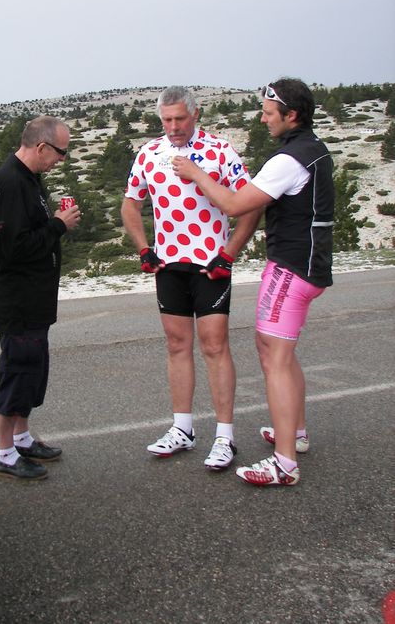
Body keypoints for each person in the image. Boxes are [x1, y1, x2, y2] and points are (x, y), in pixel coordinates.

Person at [172, 78, 334, 487]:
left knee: (273, 357)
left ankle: (283, 463)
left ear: (291, 115)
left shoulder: (289, 160)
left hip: (291, 269)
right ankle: (293, 433)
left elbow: (233, 203)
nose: (262, 119)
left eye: (267, 112)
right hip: (310, 267)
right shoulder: (313, 148)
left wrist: (194, 173)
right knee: (280, 351)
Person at [121, 86, 262, 470]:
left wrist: (229, 252)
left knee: (214, 345)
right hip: (169, 263)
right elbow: (131, 202)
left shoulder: (218, 150)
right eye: (166, 120)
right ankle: (182, 428)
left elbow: (252, 204)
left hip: (209, 262)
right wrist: (143, 248)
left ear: (195, 115)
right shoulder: (150, 153)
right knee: (176, 344)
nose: (173, 127)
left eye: (180, 119)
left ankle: (225, 437)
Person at [0, 116, 81, 481]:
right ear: (41, 147)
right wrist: (59, 225)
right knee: (17, 372)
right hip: (19, 298)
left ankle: (22, 437)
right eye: (60, 152)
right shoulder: (11, 182)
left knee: (33, 371)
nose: (62, 159)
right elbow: (15, 249)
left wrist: (53, 222)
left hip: (34, 296)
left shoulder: (28, 177)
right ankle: (5, 452)